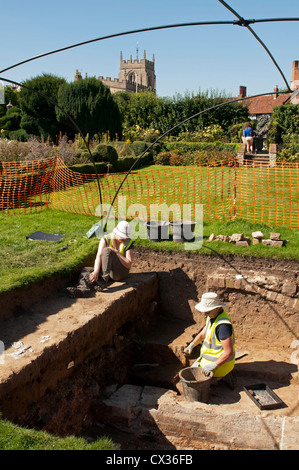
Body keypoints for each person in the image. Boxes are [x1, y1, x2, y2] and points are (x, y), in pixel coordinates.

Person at [67, 221, 134, 298]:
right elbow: (98, 256)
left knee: (107, 250)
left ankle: (103, 280)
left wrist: (116, 253)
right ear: (116, 233)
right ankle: (83, 290)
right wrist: (96, 271)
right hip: (107, 271)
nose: (125, 238)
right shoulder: (106, 239)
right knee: (85, 271)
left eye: (126, 236)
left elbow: (128, 263)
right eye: (123, 236)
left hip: (120, 273)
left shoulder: (128, 243)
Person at [184, 292, 235, 387]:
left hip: (220, 366)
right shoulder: (212, 316)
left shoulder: (223, 326)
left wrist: (213, 366)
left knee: (195, 383)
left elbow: (229, 353)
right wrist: (192, 345)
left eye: (207, 311)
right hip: (207, 361)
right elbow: (203, 333)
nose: (204, 314)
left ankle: (220, 378)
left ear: (216, 308)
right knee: (192, 372)